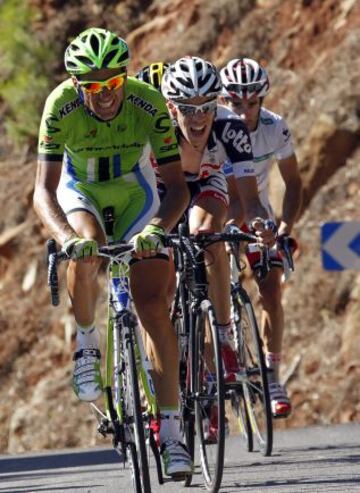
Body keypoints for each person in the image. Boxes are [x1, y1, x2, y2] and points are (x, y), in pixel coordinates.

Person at [33, 27, 193, 478]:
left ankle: (172, 432)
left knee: (153, 307)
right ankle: (86, 345)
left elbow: (177, 187)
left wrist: (159, 229)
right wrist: (65, 238)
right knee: (85, 249)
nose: (105, 96)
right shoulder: (59, 105)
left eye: (114, 84)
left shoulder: (147, 101)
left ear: (125, 77)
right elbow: (43, 192)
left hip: (135, 194)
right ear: (77, 86)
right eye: (94, 88)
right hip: (80, 190)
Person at [142, 56, 274, 440]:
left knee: (209, 238)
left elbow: (250, 201)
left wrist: (262, 223)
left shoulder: (230, 128)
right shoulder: (156, 130)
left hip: (205, 187)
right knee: (161, 291)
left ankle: (223, 335)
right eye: (187, 109)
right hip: (160, 193)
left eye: (205, 107)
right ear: (170, 107)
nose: (198, 119)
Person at [219, 57, 303, 418]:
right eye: (236, 103)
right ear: (224, 100)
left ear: (262, 100)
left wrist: (285, 226)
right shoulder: (213, 129)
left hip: (258, 218)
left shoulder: (274, 128)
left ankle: (271, 375)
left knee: (270, 289)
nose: (244, 111)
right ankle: (212, 375)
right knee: (207, 291)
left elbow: (294, 182)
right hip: (219, 215)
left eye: (251, 103)